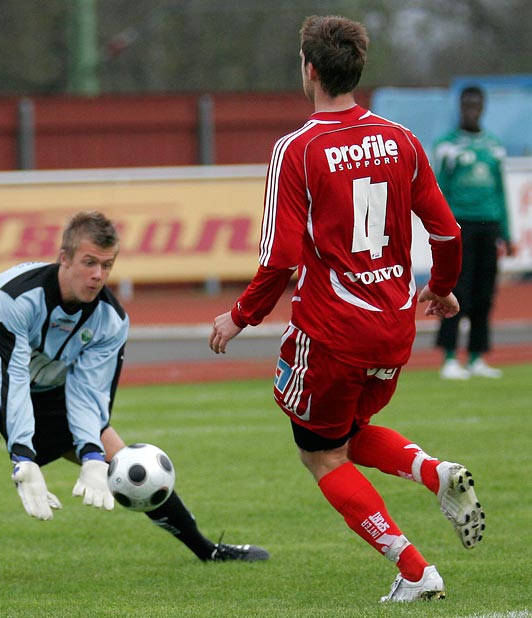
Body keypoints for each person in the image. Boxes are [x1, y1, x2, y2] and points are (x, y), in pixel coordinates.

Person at [209, 15, 484, 603]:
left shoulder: (296, 149)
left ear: (309, 69)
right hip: (392, 329)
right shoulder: (402, 140)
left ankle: (415, 571)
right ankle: (433, 473)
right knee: (348, 434)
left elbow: (280, 260)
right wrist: (441, 286)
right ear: (357, 69)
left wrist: (238, 316)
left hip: (333, 331)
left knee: (318, 452)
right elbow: (447, 231)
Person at [0, 210, 269, 584]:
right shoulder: (16, 298)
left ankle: (206, 549)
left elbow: (87, 393)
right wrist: (22, 456)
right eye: (89, 262)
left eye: (106, 265)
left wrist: (93, 455)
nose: (97, 275)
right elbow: (9, 376)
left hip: (46, 384)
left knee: (128, 465)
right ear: (65, 258)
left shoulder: (110, 320)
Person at [433, 85, 516, 380]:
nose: (471, 109)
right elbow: (436, 192)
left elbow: (501, 192)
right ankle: (450, 357)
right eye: (466, 104)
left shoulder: (493, 146)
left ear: (482, 107)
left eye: (476, 104)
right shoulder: (447, 145)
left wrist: (507, 233)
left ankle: (477, 356)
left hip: (489, 224)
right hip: (461, 227)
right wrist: (441, 230)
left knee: (484, 294)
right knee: (458, 291)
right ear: (460, 107)